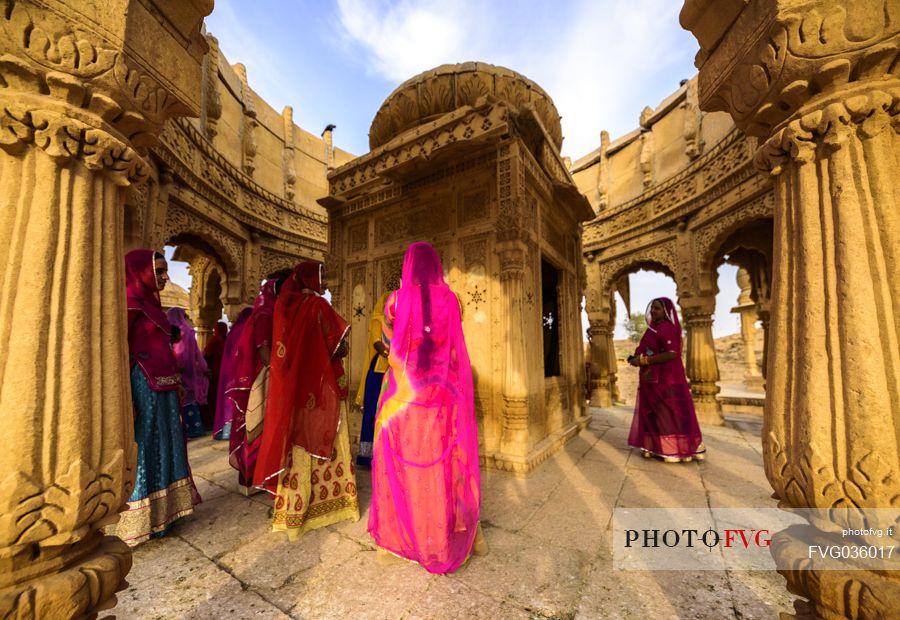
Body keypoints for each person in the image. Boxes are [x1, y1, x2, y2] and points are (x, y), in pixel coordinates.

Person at [368, 242, 482, 574]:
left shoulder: (394, 302)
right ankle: (440, 539)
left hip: (405, 402)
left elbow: (392, 351)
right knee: (442, 468)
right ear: (436, 266)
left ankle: (401, 536)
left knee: (403, 468)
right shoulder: (452, 301)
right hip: (442, 401)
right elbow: (456, 355)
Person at [253, 262, 359, 539]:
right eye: (322, 277)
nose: (324, 283)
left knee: (298, 442)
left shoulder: (283, 307)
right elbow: (340, 347)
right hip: (323, 389)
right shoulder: (317, 306)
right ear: (311, 278)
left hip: (295, 390)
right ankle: (335, 503)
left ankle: (294, 510)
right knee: (329, 437)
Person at [110, 249, 199, 546]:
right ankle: (139, 519)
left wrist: (177, 382)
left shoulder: (153, 307)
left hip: (166, 388)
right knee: (145, 445)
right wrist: (122, 395)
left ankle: (164, 514)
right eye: (159, 271)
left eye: (165, 271)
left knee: (168, 443)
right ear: (140, 271)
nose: (164, 277)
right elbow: (118, 350)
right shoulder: (131, 305)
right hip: (142, 385)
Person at [626, 297, 705, 463]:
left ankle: (675, 448)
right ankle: (653, 446)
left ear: (666, 312)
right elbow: (645, 349)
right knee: (653, 412)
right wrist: (635, 358)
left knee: (668, 413)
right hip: (652, 379)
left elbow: (672, 353)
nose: (653, 311)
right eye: (652, 308)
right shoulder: (652, 329)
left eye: (657, 308)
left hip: (668, 378)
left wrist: (645, 361)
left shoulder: (667, 328)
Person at [228, 281, 278, 491]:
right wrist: (276, 370)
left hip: (265, 374)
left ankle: (258, 477)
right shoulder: (265, 314)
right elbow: (263, 349)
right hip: (263, 377)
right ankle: (252, 479)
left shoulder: (267, 311)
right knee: (258, 424)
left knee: (261, 426)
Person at [354, 280, 397, 467]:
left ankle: (387, 453)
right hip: (379, 371)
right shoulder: (377, 321)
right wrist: (394, 355)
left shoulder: (398, 324)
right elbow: (378, 345)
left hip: (394, 371)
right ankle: (367, 456)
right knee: (373, 411)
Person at [166, 307, 209, 439]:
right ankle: (194, 428)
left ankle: (180, 429)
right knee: (189, 398)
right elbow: (197, 354)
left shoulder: (169, 332)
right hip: (189, 372)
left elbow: (178, 353)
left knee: (178, 400)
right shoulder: (188, 332)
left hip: (175, 371)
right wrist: (204, 368)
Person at [212, 307, 253, 440]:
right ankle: (236, 429)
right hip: (240, 370)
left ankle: (225, 430)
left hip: (227, 372)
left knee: (228, 400)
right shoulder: (245, 329)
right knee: (238, 400)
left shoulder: (233, 331)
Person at [201, 321, 228, 430]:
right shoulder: (227, 340)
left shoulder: (214, 340)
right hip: (224, 373)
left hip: (213, 373)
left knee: (211, 397)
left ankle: (209, 420)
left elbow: (206, 355)